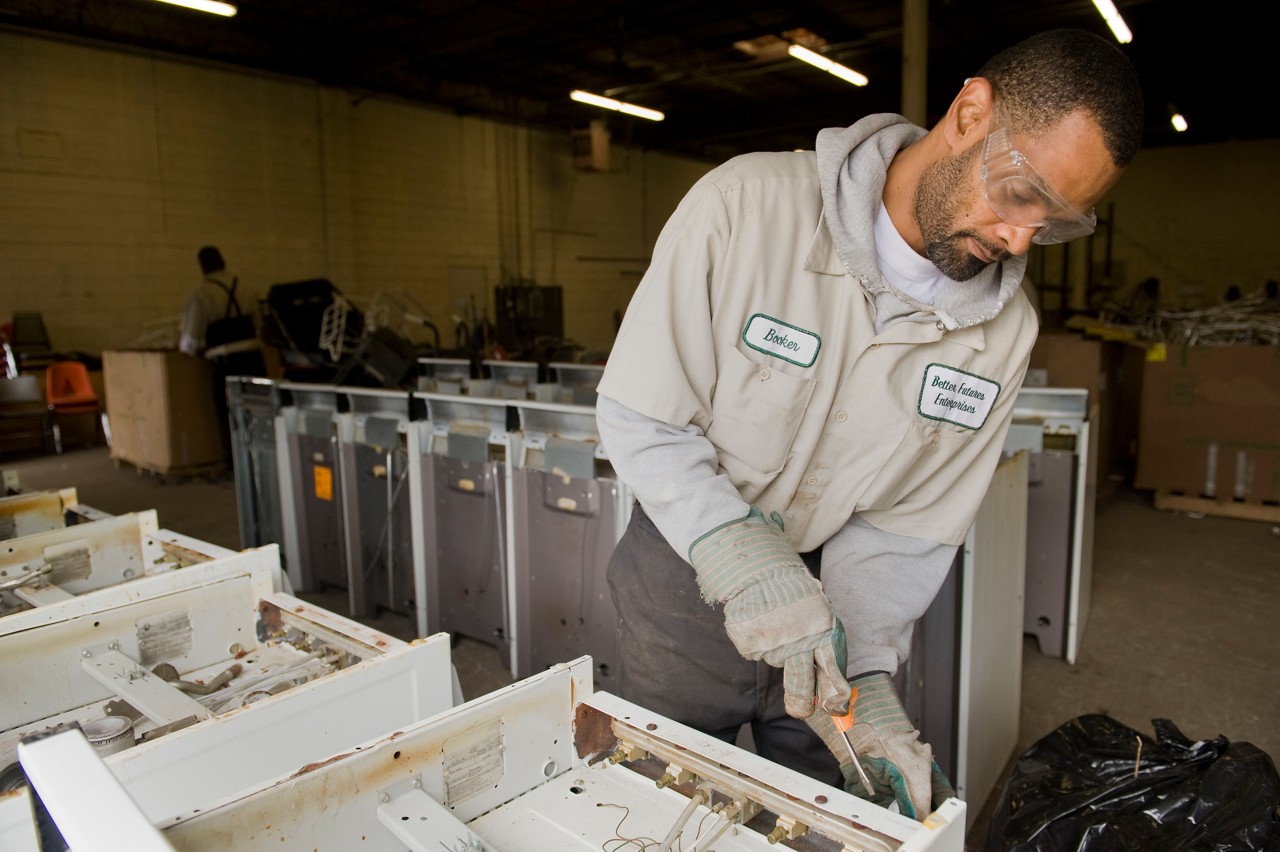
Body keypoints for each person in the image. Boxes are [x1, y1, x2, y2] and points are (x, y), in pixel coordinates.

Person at [595, 28, 1143, 820]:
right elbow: (644, 413)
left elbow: (909, 527)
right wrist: (741, 556)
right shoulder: (746, 206)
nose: (1021, 238)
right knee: (664, 802)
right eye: (1024, 196)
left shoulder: (1004, 333)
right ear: (970, 113)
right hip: (683, 577)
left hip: (842, 609)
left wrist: (870, 676)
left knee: (830, 816)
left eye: (1058, 223)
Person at [179, 246, 265, 457]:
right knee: (258, 408)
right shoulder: (245, 287)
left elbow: (189, 341)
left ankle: (235, 462)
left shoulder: (201, 294)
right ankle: (262, 454)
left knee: (229, 414)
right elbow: (259, 324)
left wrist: (198, 352)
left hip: (226, 364)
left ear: (202, 267)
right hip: (254, 359)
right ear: (223, 261)